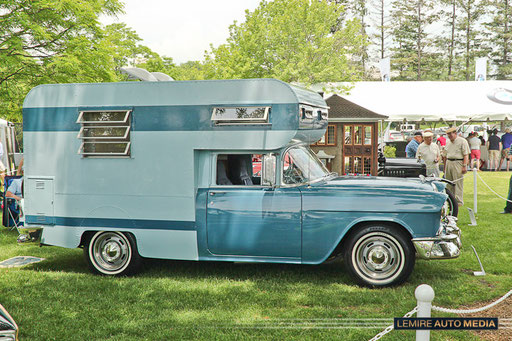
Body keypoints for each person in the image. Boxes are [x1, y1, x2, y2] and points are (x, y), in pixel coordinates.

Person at [442, 126, 470, 206]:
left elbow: (466, 154)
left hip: (458, 162)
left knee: (458, 183)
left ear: (455, 133)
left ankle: (458, 201)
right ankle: (450, 199)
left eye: (451, 134)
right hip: (449, 162)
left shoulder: (462, 141)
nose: (450, 136)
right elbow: (445, 155)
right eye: (448, 134)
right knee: (449, 182)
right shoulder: (448, 143)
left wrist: (464, 165)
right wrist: (445, 167)